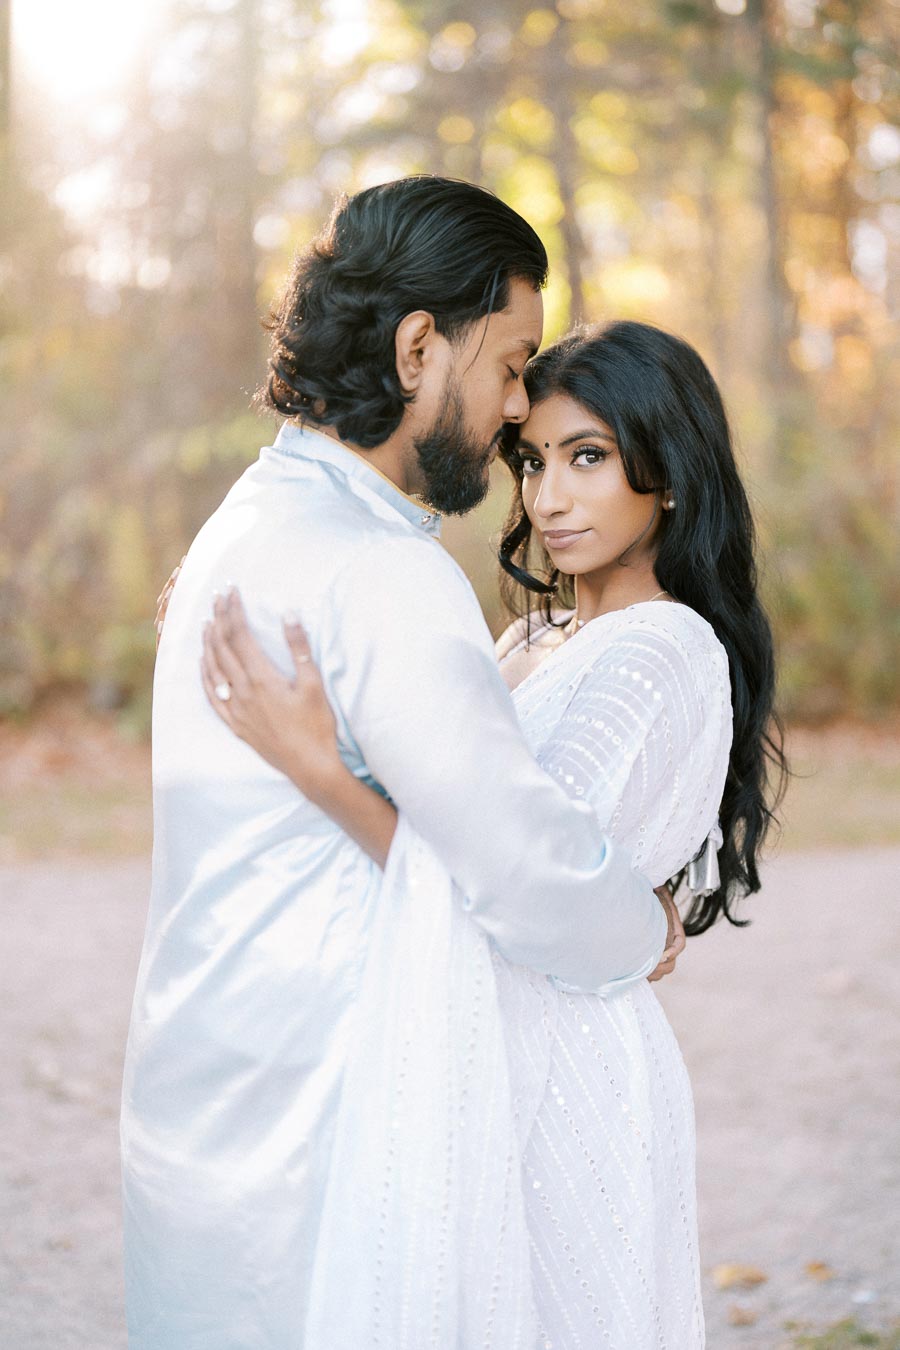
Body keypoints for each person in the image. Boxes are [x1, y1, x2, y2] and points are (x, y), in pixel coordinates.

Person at [122, 178, 683, 1349]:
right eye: (511, 363)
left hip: (202, 1103)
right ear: (419, 346)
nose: (517, 405)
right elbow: (522, 864)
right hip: (330, 1121)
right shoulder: (381, 569)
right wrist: (642, 930)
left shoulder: (243, 522)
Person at [200, 320, 786, 1348]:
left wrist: (318, 767)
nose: (549, 497)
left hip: (560, 1065)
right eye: (533, 461)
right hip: (470, 1034)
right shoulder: (531, 637)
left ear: (669, 471)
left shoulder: (661, 650)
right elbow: (449, 811)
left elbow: (519, 883)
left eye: (587, 458)